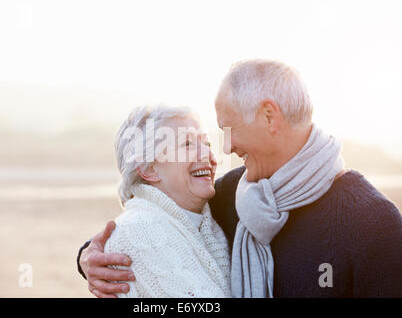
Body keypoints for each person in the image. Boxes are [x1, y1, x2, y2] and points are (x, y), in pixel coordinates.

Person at [77, 60, 402, 298]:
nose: (226, 146)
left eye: (226, 130)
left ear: (269, 116)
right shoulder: (233, 194)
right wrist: (89, 257)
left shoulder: (374, 223)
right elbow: (157, 220)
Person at [84, 104, 231, 297]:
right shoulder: (138, 230)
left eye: (207, 144)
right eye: (187, 144)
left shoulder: (210, 219)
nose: (207, 154)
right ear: (149, 169)